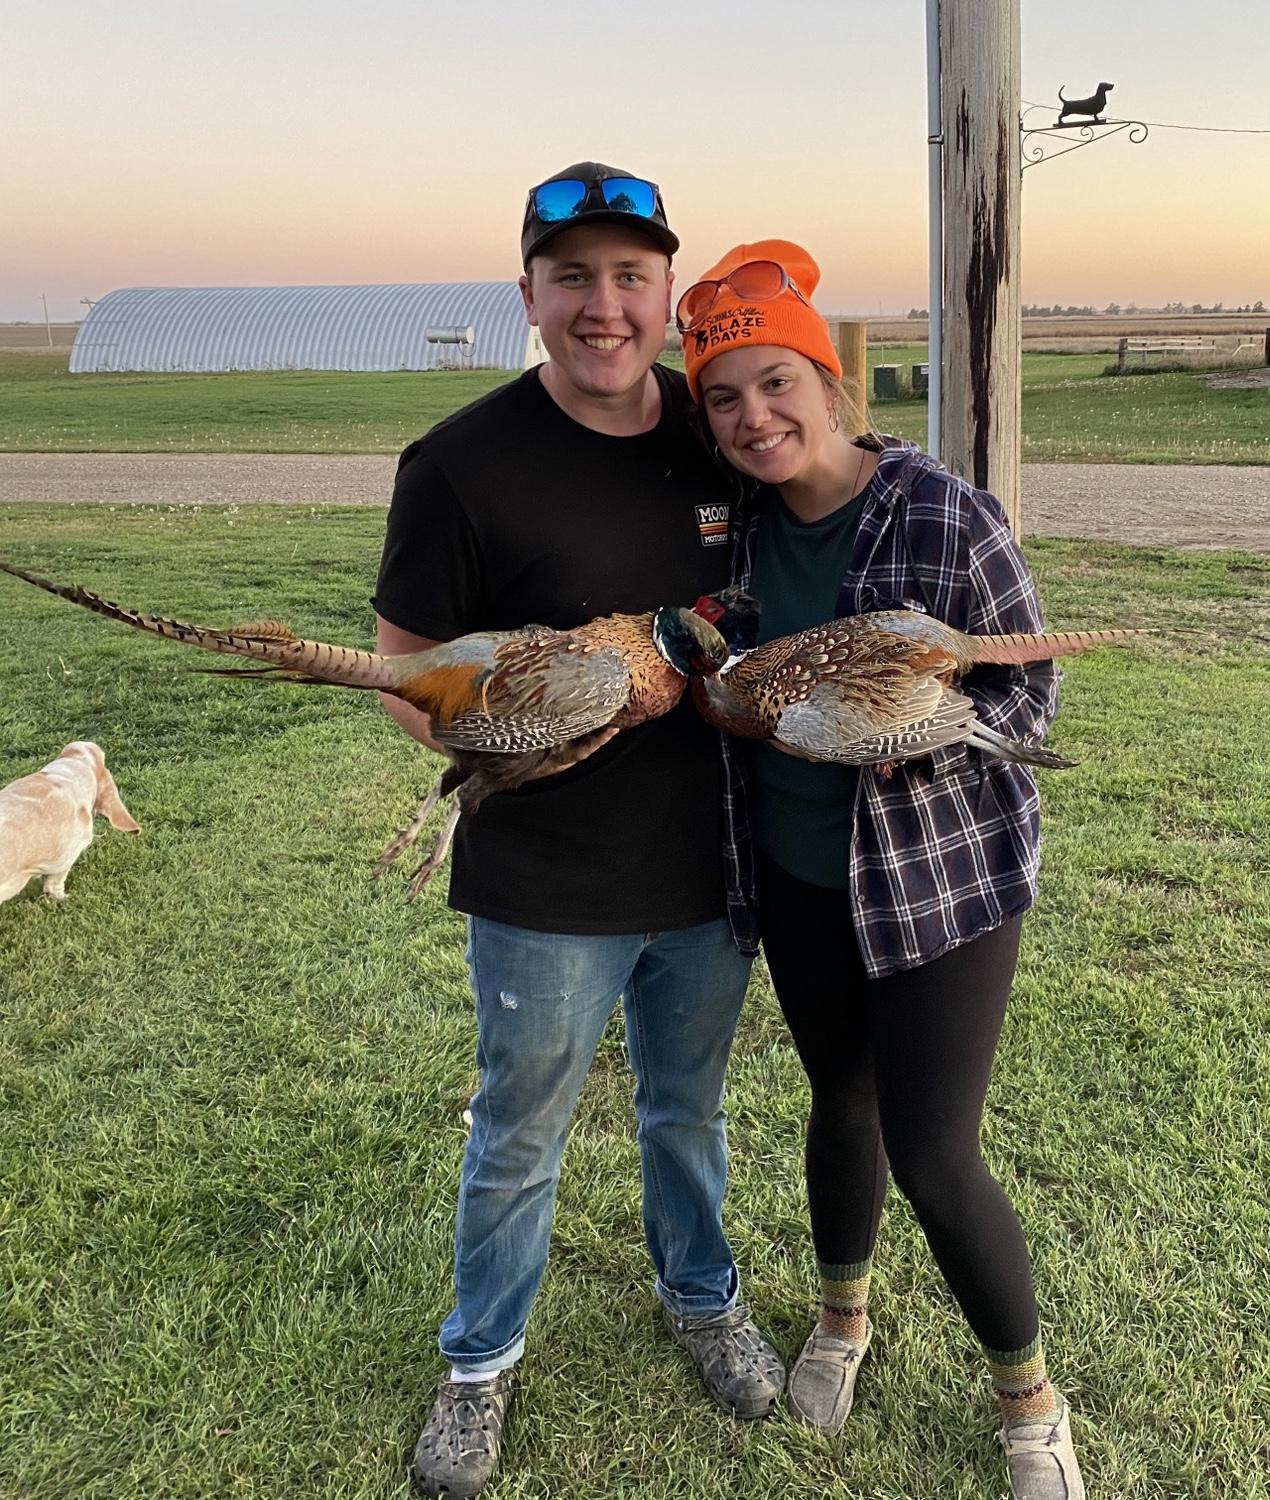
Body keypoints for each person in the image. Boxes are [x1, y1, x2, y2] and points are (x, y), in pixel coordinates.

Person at [373, 168, 784, 1499]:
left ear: (668, 295)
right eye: (573, 278)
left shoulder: (722, 434)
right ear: (530, 294)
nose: (604, 307)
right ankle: (480, 1363)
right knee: (519, 1132)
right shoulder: (460, 466)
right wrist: (521, 741)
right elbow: (404, 674)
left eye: (630, 277)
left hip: (709, 870)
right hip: (544, 883)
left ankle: (703, 1297)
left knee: (687, 1111)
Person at [678, 240, 1086, 1497]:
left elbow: (1030, 692)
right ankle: (841, 1319)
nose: (755, 417)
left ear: (830, 381)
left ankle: (1030, 1405)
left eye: (776, 383)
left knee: (936, 1155)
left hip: (937, 881)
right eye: (724, 398)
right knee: (838, 1103)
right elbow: (715, 670)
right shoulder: (732, 529)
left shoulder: (942, 512)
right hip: (797, 876)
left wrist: (915, 732)